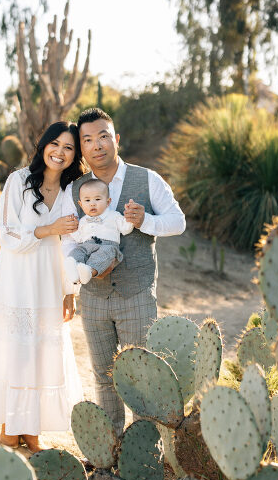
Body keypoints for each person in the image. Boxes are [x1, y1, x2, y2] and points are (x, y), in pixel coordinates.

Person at [61, 107, 186, 435]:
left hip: (137, 294)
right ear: (82, 148)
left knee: (142, 375)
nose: (96, 144)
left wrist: (146, 221)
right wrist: (70, 287)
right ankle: (112, 448)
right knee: (103, 375)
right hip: (94, 298)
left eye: (103, 136)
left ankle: (144, 450)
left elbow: (177, 221)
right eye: (87, 139)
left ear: (115, 139)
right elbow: (68, 241)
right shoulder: (74, 190)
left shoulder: (147, 179)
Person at [0, 122, 85, 453]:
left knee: (41, 351)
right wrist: (47, 229)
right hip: (18, 279)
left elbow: (73, 246)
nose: (60, 152)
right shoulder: (18, 181)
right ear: (43, 146)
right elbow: (6, 233)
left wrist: (70, 291)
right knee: (16, 349)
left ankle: (32, 427)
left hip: (51, 281)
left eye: (68, 148)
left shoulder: (72, 190)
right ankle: (10, 424)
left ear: (75, 154)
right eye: (55, 144)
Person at [64, 178, 134, 286]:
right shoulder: (82, 221)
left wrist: (130, 217)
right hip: (86, 245)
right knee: (77, 252)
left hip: (107, 245)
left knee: (103, 255)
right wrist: (72, 229)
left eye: (97, 199)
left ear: (108, 201)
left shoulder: (114, 215)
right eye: (87, 200)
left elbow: (126, 229)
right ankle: (73, 270)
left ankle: (89, 272)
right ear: (81, 204)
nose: (92, 204)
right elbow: (79, 238)